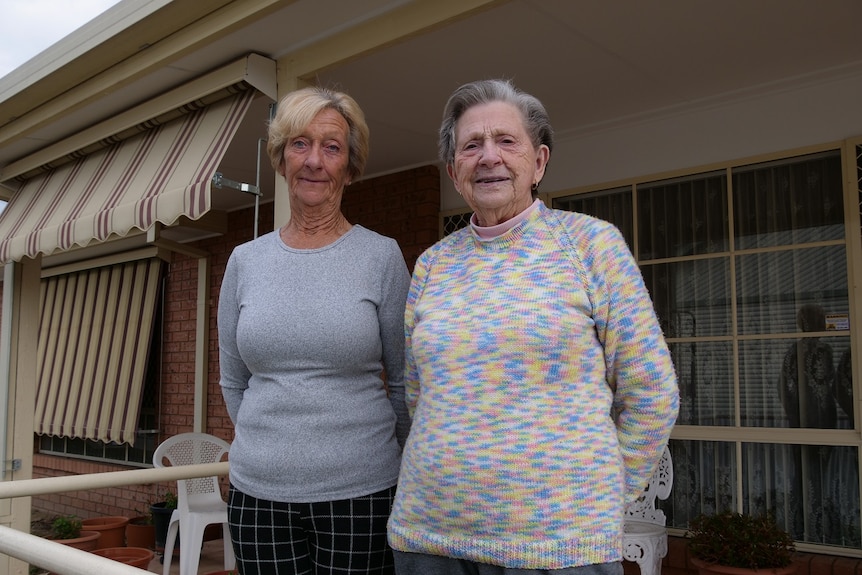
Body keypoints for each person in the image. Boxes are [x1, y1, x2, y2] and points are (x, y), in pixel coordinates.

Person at [387, 79, 679, 574]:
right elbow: (418, 394)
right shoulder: (432, 265)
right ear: (454, 169)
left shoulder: (590, 245)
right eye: (471, 145)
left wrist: (602, 496)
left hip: (559, 546)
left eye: (506, 141)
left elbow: (652, 391)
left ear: (539, 162)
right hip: (429, 537)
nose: (488, 157)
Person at [218, 86, 411, 575]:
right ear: (281, 160)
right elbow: (233, 380)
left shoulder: (382, 256)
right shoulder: (245, 261)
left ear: (350, 165)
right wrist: (271, 450)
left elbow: (406, 379)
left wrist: (388, 458)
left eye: (332, 147)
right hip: (257, 496)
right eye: (299, 144)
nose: (314, 161)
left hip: (361, 492)